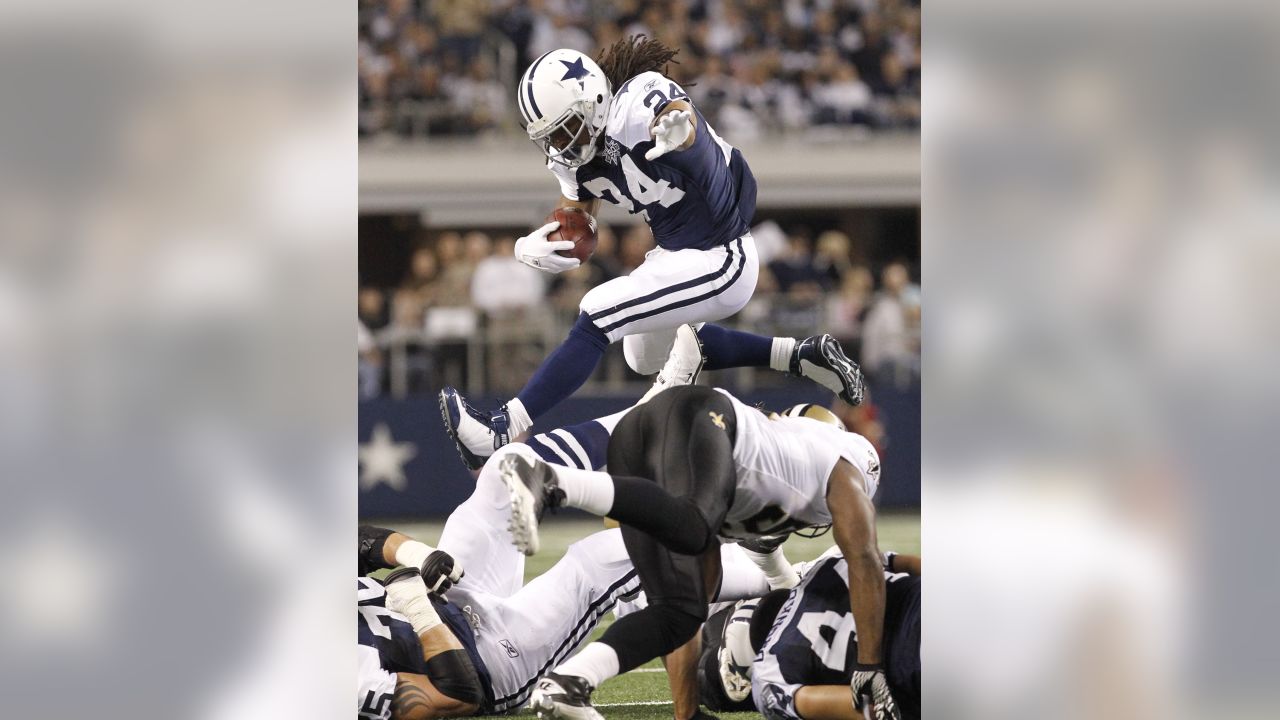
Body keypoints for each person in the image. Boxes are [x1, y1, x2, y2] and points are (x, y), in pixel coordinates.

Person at [440, 36, 866, 471]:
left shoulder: (638, 101)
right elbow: (580, 213)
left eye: (567, 129)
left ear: (594, 102)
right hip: (676, 251)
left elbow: (678, 117)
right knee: (642, 354)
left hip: (723, 255)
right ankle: (797, 355)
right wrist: (554, 238)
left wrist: (678, 129)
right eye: (551, 137)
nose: (562, 146)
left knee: (599, 311)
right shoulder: (571, 156)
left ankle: (500, 428)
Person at [498, 355, 900, 720]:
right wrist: (869, 665)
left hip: (640, 435)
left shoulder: (759, 479)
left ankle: (571, 682)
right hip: (701, 417)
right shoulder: (844, 464)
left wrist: (686, 715)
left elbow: (699, 595)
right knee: (692, 529)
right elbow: (864, 560)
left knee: (679, 609)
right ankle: (550, 479)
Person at [358, 403, 778, 718]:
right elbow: (457, 695)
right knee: (599, 563)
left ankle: (666, 410)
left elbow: (361, 543)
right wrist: (418, 608)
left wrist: (419, 555)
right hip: (487, 658)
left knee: (505, 468)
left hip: (445, 596)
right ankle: (775, 575)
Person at [700, 549, 921, 720]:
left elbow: (863, 709)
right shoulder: (825, 567)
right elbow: (908, 564)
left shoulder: (768, 674)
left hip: (912, 668)